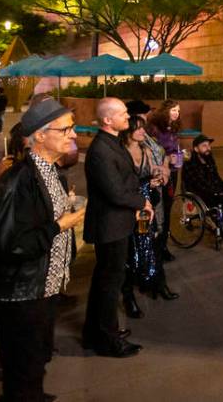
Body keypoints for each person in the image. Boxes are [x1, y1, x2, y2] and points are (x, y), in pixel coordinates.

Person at [0, 98, 86, 401]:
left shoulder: (52, 172)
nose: (73, 135)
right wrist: (60, 225)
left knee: (36, 361)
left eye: (73, 128)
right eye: (66, 129)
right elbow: (12, 243)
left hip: (44, 288)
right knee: (22, 368)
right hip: (22, 292)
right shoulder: (18, 180)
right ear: (40, 136)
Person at [82, 97, 151, 358]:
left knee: (106, 280)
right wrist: (142, 201)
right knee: (109, 284)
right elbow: (115, 192)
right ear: (107, 120)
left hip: (117, 223)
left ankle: (94, 332)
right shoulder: (101, 150)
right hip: (109, 225)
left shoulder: (113, 143)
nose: (127, 116)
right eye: (122, 113)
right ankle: (107, 339)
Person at [122, 115, 177, 317]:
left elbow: (156, 168)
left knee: (151, 243)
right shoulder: (121, 152)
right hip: (129, 209)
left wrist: (159, 177)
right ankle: (128, 296)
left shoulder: (145, 149)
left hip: (147, 208)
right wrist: (146, 184)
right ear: (128, 131)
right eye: (138, 129)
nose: (143, 132)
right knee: (130, 250)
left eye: (143, 128)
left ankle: (157, 284)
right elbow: (123, 185)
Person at [183, 134, 223, 237]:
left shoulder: (209, 159)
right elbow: (198, 183)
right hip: (202, 193)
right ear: (196, 149)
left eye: (208, 145)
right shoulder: (190, 163)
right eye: (204, 146)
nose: (208, 148)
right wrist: (216, 191)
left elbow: (217, 178)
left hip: (215, 190)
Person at [147, 99, 182, 263]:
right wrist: (168, 158)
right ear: (165, 111)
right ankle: (155, 247)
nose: (176, 113)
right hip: (159, 174)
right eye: (173, 110)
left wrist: (180, 156)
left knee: (167, 208)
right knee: (159, 208)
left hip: (173, 172)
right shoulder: (155, 129)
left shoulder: (173, 127)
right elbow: (153, 153)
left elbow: (174, 149)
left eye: (178, 110)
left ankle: (163, 246)